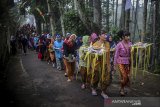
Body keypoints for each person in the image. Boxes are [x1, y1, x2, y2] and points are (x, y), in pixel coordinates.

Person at [90, 32, 110, 99]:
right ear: (99, 36)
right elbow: (92, 54)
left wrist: (109, 64)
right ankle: (94, 88)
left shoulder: (107, 43)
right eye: (104, 34)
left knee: (106, 77)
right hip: (97, 64)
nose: (105, 36)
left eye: (105, 34)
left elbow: (108, 54)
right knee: (96, 76)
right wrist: (97, 52)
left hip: (106, 63)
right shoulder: (95, 43)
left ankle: (103, 91)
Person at [114, 31, 132, 96]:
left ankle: (122, 88)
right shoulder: (119, 44)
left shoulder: (130, 43)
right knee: (124, 76)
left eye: (129, 36)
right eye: (127, 36)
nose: (128, 37)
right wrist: (114, 64)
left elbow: (132, 52)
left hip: (127, 62)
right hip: (120, 61)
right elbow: (116, 54)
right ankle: (122, 89)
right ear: (123, 37)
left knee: (127, 77)